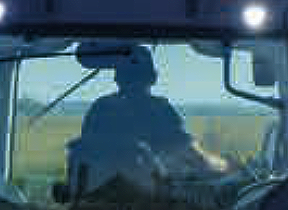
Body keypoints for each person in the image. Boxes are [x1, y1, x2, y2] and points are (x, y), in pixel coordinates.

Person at [68, 46, 226, 199]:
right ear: (153, 77)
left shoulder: (100, 108)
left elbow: (86, 151)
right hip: (150, 206)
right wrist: (223, 167)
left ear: (117, 78)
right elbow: (191, 153)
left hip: (96, 203)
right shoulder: (159, 109)